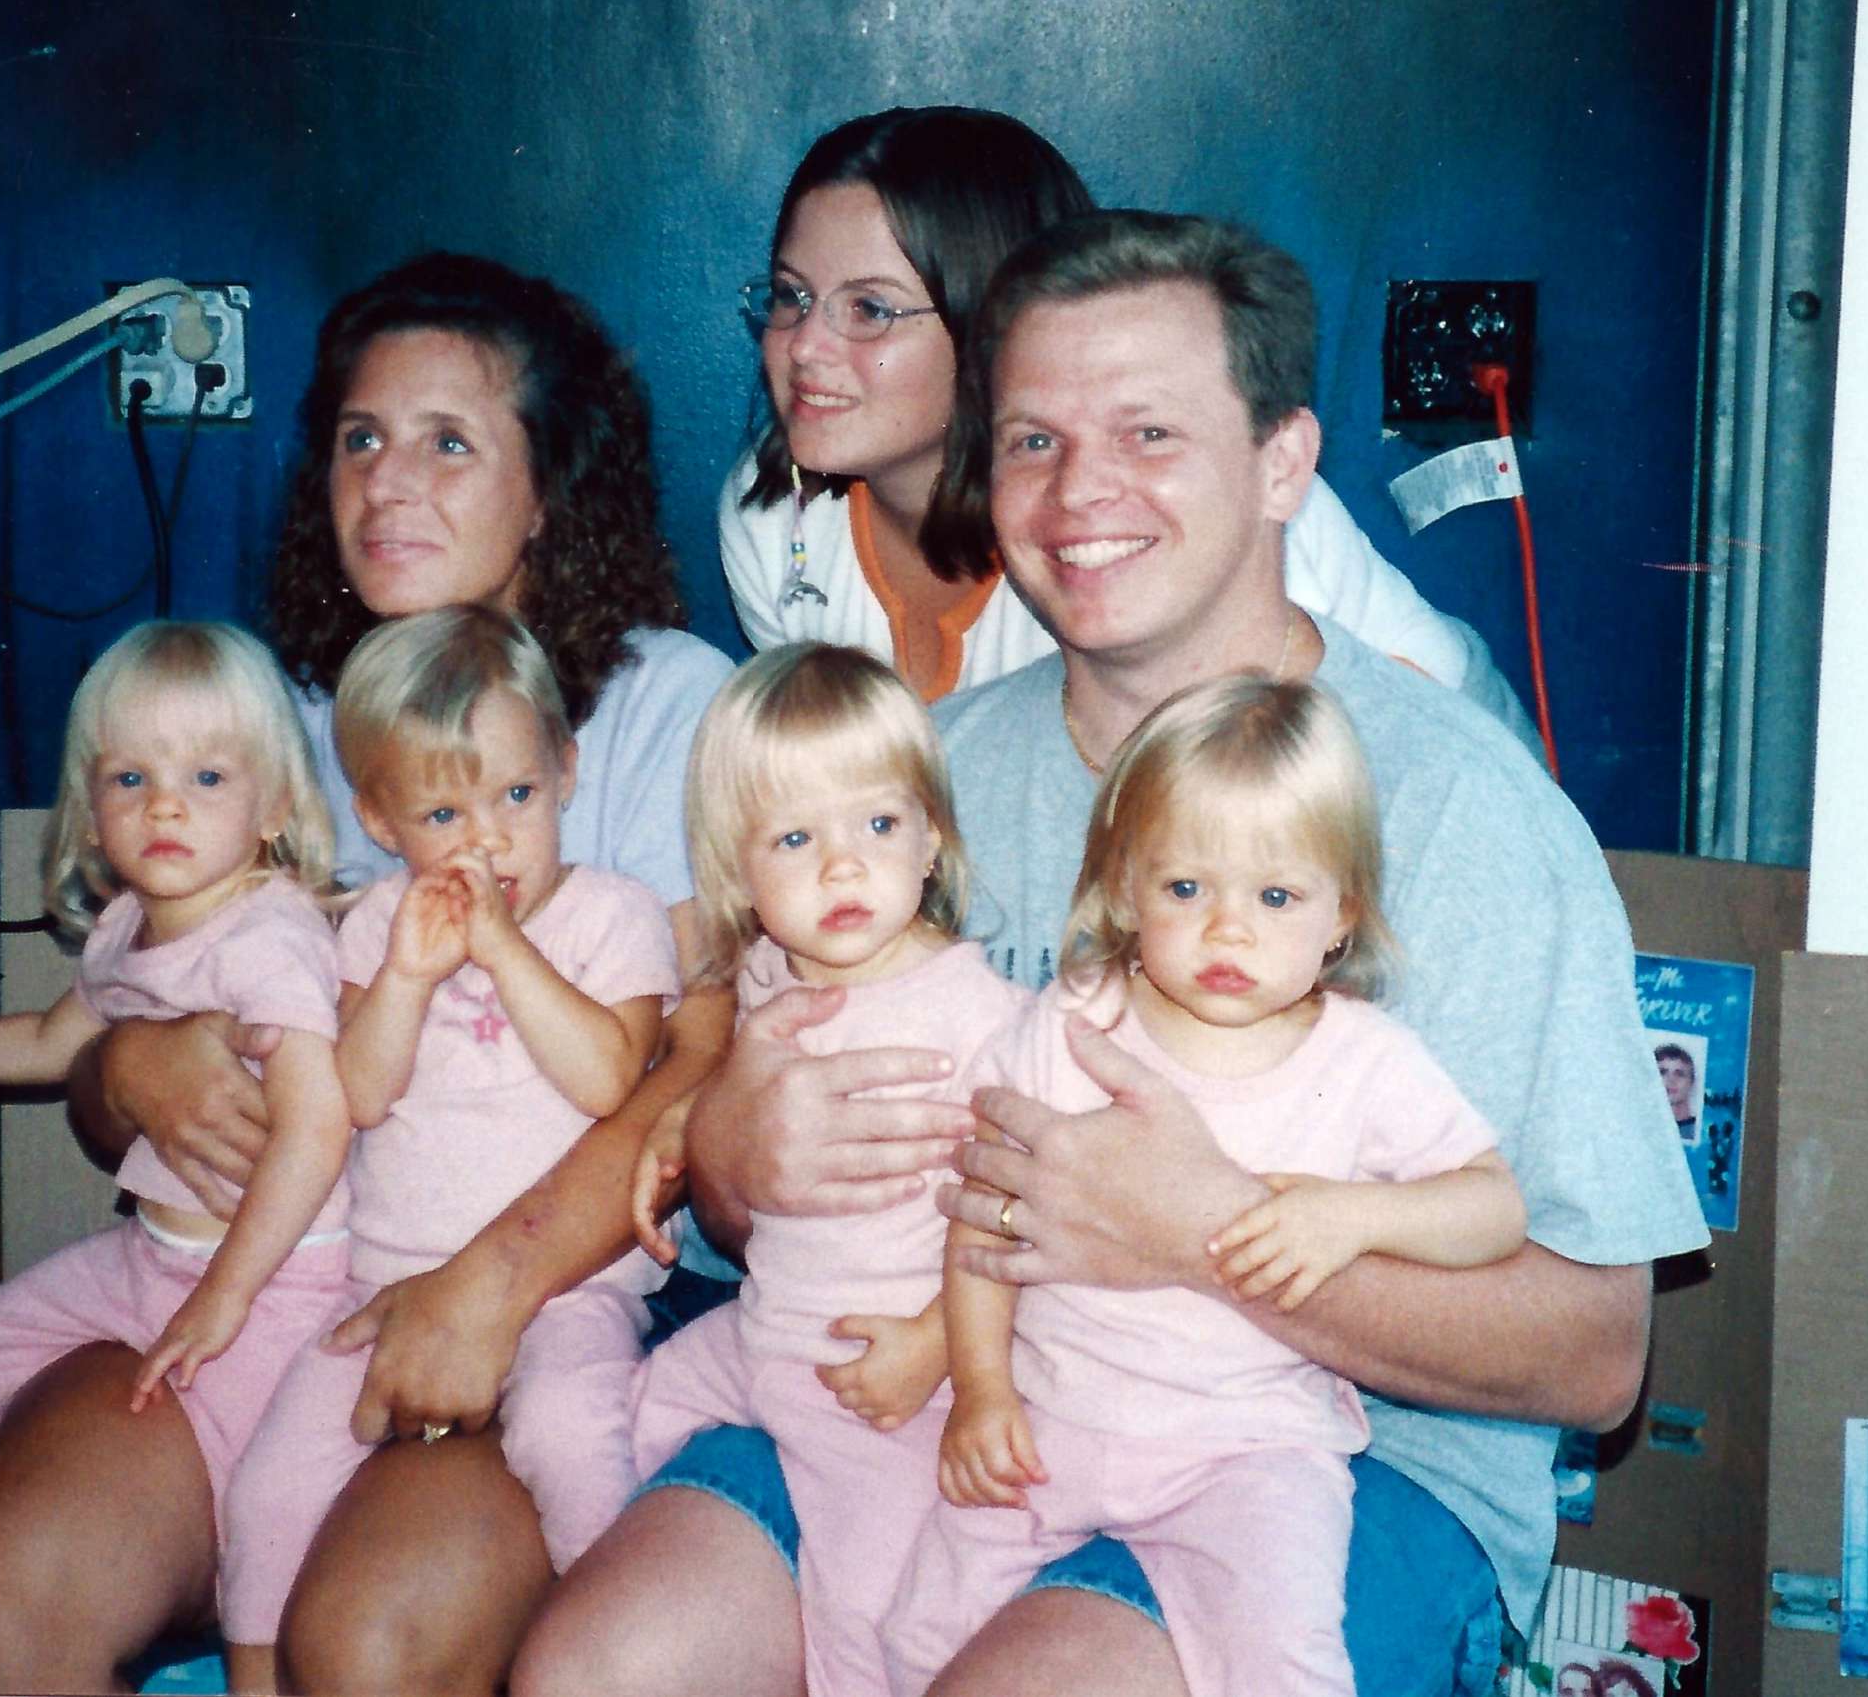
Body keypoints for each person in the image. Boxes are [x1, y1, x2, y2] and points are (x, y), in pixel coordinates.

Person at [516, 212, 1706, 1697]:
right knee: (600, 1668)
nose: (1081, 492)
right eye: (1029, 441)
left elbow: (1597, 1357)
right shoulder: (911, 784)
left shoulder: (1465, 815)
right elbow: (739, 1212)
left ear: (1285, 461)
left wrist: (1202, 1235)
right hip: (936, 1389)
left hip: (1332, 1461)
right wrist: (737, 1154)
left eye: (1148, 429)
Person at [0, 253, 731, 1695]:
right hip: (264, 1283)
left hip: (534, 1297)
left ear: (550, 491)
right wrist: (128, 1069)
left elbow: (693, 1064)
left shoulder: (665, 703)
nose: (389, 481)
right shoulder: (270, 719)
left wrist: (490, 1284)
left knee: (363, 1644)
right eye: (360, 437)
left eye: (450, 441)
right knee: (5, 1597)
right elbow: (124, 1048)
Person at [882, 674, 1526, 1697]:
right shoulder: (1070, 1026)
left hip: (1251, 1453)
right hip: (1050, 1419)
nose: (1229, 931)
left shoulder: (1366, 1062)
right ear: (1124, 891)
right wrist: (983, 1389)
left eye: (1275, 897)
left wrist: (1354, 1213)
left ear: (1339, 916)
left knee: (1285, 1660)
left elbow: (1494, 1206)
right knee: (913, 1638)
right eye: (1188, 889)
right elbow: (980, 1227)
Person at [0, 620, 352, 1692]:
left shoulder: (273, 937)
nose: (165, 804)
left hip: (280, 1283)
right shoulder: (123, 930)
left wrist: (228, 1298)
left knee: (259, 1510)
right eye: (130, 775)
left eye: (207, 774)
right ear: (90, 803)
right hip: (151, 1260)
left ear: (277, 807)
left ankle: (257, 1662)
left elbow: (318, 1127)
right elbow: (47, 1043)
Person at [719, 105, 1529, 734]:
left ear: (995, 325)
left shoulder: (1185, 510)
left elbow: (1413, 765)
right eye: (792, 296)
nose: (804, 346)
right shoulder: (768, 522)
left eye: (868, 308)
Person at [219, 607, 680, 1691]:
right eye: (442, 811)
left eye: (516, 796)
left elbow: (611, 1074)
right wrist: (412, 978)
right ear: (380, 817)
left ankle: (603, 1640)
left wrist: (504, 949)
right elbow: (361, 1094)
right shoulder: (380, 924)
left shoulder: (614, 915)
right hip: (382, 1286)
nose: (486, 841)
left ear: (566, 770)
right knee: (269, 1486)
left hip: (567, 1290)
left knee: (573, 1440)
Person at [625, 641, 1028, 1697]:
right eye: (796, 837)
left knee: (865, 1607)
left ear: (931, 838)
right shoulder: (768, 973)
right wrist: (684, 1119)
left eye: (878, 826)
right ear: (738, 875)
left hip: (875, 1367)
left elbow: (1032, 1218)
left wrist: (940, 1348)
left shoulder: (986, 1017)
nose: (842, 868)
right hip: (760, 1334)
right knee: (617, 1421)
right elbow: (730, 1091)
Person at [1654, 1042, 1698, 1138]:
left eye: (1679, 1074)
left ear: (1692, 1082)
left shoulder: (1700, 1132)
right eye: (1662, 1072)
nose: (1671, 1080)